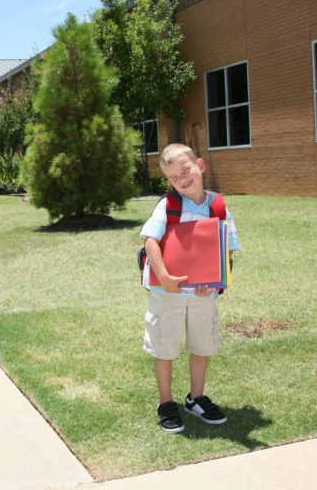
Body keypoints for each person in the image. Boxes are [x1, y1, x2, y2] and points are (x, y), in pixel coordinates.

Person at [139, 143, 241, 433]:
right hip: (166, 294)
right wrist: (164, 277)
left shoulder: (218, 206)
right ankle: (166, 402)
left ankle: (195, 399)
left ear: (201, 165)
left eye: (186, 170)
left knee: (201, 345)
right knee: (165, 347)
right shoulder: (168, 205)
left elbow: (227, 250)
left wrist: (215, 283)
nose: (182, 179)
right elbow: (150, 241)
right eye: (173, 177)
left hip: (203, 294)